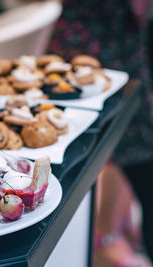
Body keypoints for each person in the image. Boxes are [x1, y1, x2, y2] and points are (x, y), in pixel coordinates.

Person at [48, 0, 153, 265]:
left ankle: (114, 227)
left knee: (130, 146)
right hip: (96, 43)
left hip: (126, 33)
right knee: (129, 146)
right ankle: (106, 235)